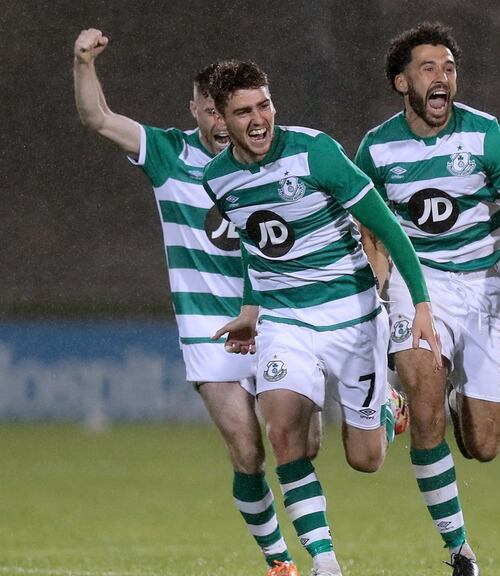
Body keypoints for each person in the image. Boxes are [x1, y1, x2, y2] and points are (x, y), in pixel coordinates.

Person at [73, 29, 315, 576]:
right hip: (209, 328)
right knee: (246, 449)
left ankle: (376, 405)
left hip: (276, 316)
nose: (213, 120)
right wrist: (82, 63)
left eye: (221, 110)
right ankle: (279, 561)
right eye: (205, 109)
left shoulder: (269, 157)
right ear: (196, 110)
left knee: (300, 445)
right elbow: (98, 118)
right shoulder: (167, 153)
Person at [202, 59, 443, 576]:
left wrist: (421, 303)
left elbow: (387, 228)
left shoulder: (316, 151)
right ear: (222, 119)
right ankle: (325, 561)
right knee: (283, 431)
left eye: (263, 104)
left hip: (353, 316)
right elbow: (254, 242)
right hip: (286, 323)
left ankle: (387, 409)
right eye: (243, 111)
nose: (258, 118)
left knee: (366, 459)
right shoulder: (217, 179)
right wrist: (251, 307)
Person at [354, 21, 500, 576]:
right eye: (429, 68)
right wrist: (376, 270)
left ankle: (445, 404)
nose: (443, 77)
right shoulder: (377, 148)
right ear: (402, 82)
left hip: (485, 287)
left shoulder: (488, 138)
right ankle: (459, 550)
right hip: (418, 287)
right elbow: (369, 224)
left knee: (484, 445)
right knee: (423, 404)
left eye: (449, 68)